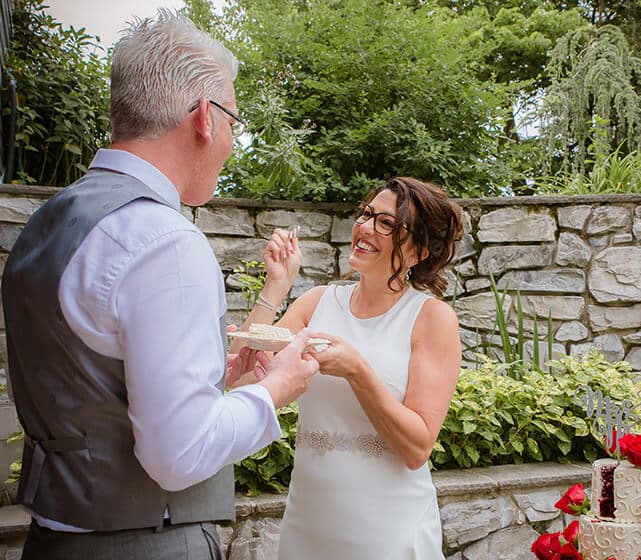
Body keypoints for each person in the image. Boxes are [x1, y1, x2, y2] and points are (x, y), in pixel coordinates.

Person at [0, 10, 317, 560]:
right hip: (148, 544)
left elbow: (93, 387)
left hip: (52, 539)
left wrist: (224, 389)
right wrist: (276, 389)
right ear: (203, 116)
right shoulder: (164, 240)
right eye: (234, 123)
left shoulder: (47, 222)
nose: (231, 143)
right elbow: (179, 454)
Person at [240, 176, 464, 559]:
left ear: (417, 252)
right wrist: (275, 287)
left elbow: (417, 447)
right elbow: (243, 376)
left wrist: (358, 371)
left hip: (388, 534)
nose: (364, 227)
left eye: (387, 223)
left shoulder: (431, 319)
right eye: (366, 214)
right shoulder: (317, 302)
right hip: (309, 527)